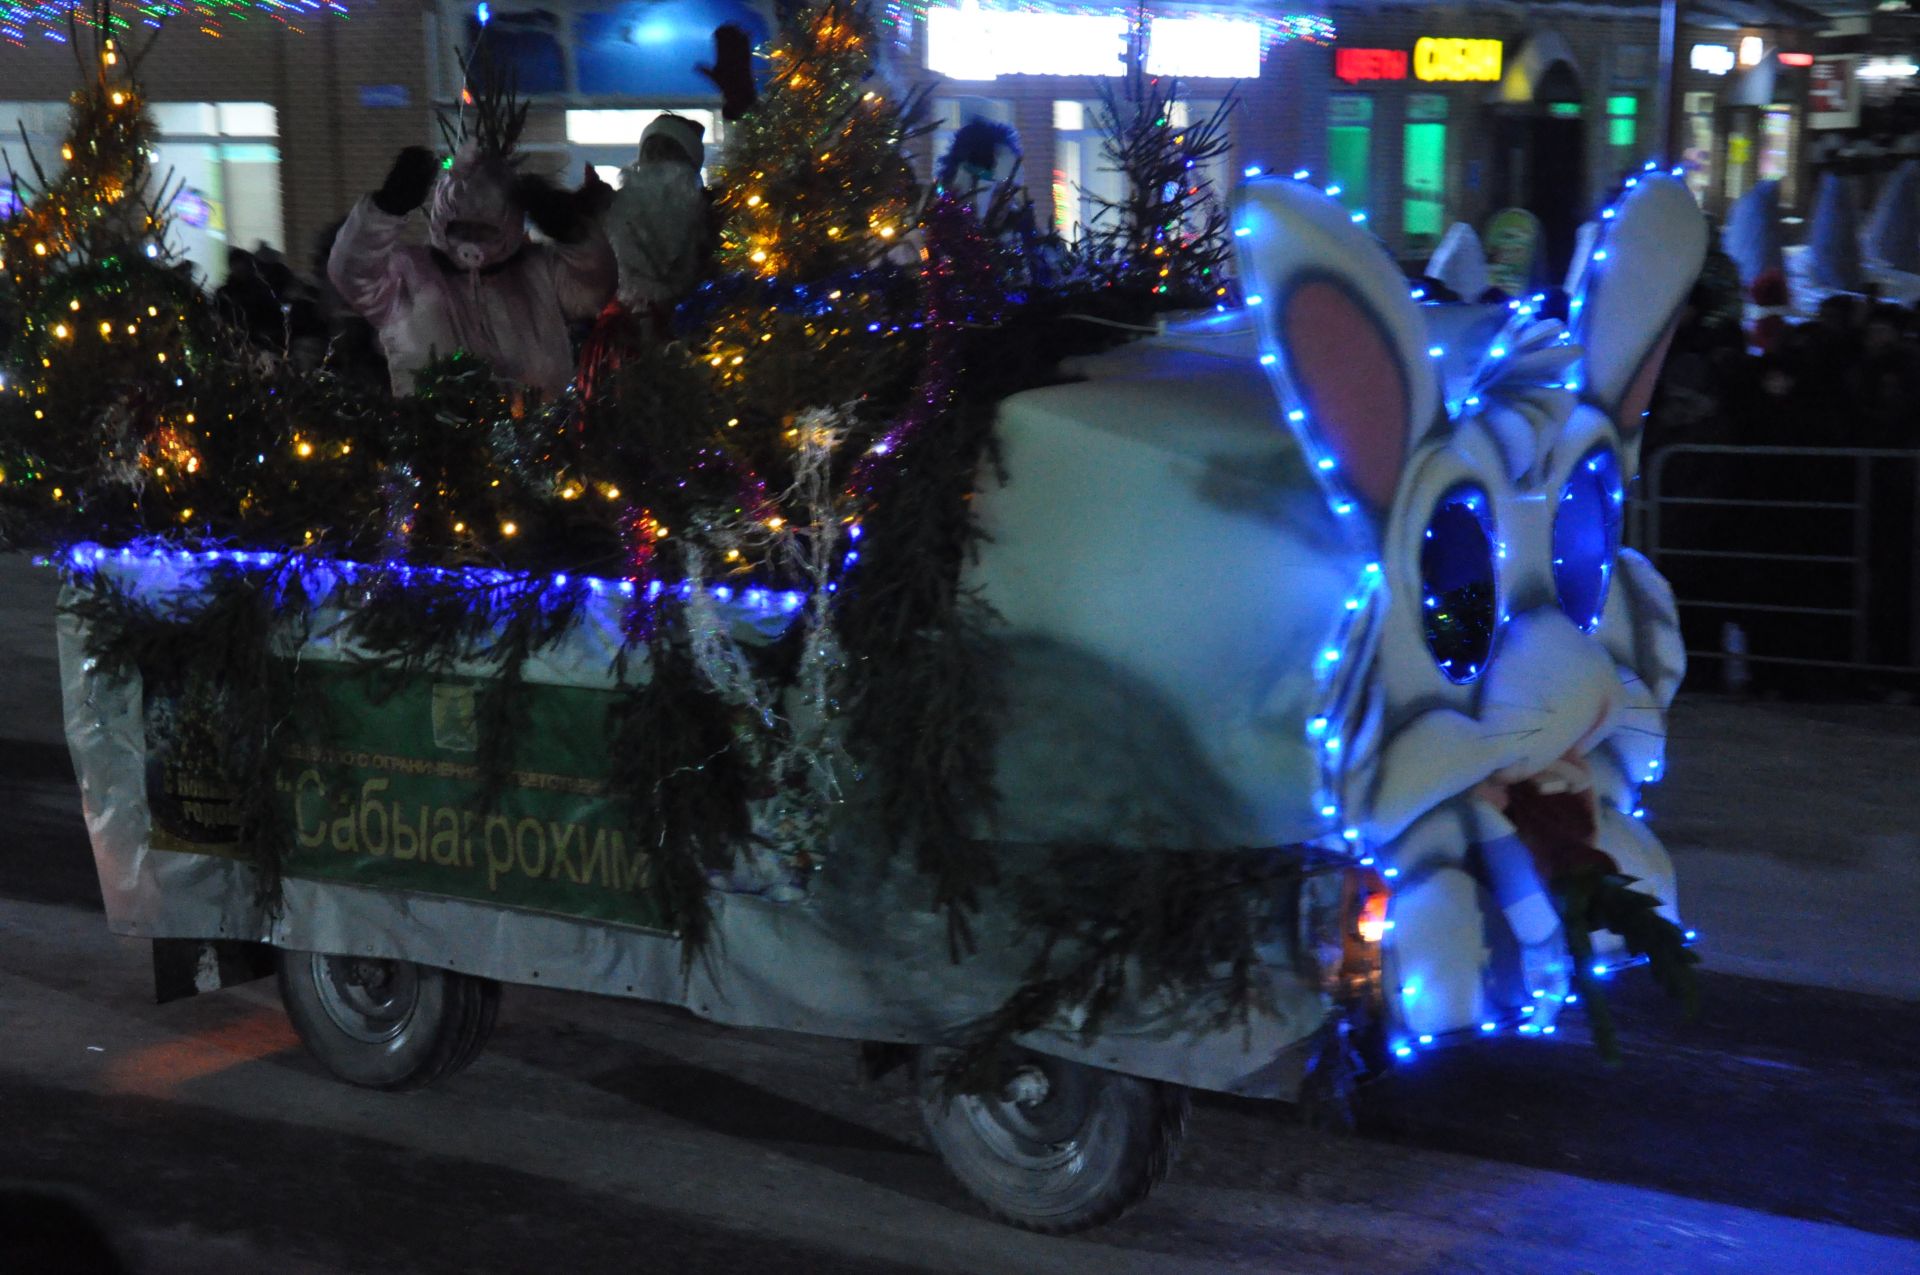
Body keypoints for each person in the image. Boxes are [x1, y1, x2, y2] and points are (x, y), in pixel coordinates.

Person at [328, 139, 616, 397]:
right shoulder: (407, 274)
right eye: (460, 228)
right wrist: (386, 208)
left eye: (485, 230)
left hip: (538, 445)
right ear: (443, 222)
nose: (471, 241)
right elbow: (352, 271)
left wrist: (569, 230)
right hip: (435, 445)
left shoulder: (540, 271)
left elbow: (592, 287)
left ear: (508, 227)